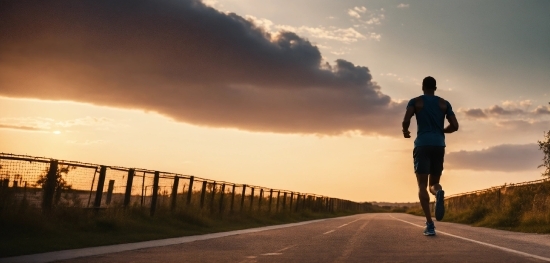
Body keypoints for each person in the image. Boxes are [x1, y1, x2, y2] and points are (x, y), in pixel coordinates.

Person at [402, 76, 459, 236]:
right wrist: (442, 131)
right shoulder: (444, 103)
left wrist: (405, 131)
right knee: (434, 184)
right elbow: (455, 126)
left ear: (422, 87)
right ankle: (438, 193)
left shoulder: (416, 101)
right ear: (435, 87)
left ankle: (430, 224)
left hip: (422, 145)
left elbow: (406, 119)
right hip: (439, 145)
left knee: (421, 185)